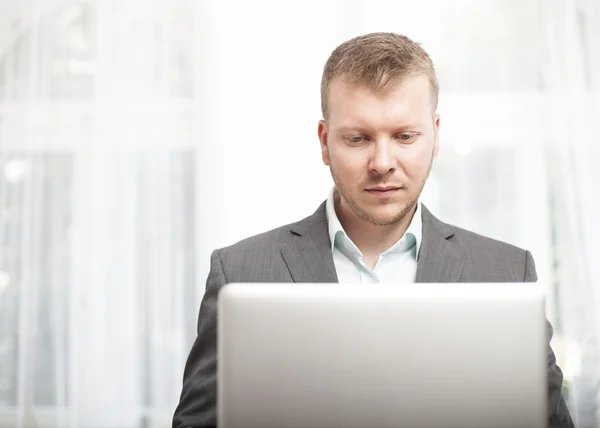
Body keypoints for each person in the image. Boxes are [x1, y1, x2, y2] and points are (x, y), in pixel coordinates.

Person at [173, 32, 574, 428]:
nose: (382, 162)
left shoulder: (506, 272)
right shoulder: (240, 272)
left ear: (434, 136)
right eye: (358, 138)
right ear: (325, 141)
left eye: (404, 136)